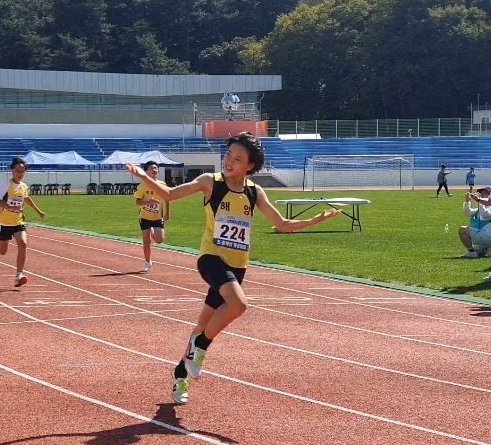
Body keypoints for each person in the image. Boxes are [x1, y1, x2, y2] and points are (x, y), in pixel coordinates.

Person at [125, 132, 341, 404]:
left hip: (238, 265)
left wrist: (314, 221)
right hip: (211, 258)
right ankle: (201, 346)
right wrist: (143, 176)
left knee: (203, 325)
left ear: (249, 165)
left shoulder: (254, 192)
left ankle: (181, 373)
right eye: (228, 154)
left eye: (237, 159)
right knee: (238, 305)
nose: (229, 161)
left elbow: (282, 224)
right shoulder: (210, 182)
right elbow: (169, 194)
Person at [0, 157, 45, 287]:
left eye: (22, 171)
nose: (20, 174)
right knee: (2, 251)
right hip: (4, 223)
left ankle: (19, 275)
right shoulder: (6, 184)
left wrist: (38, 211)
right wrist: (9, 207)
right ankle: (0, 242)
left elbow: (27, 199)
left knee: (23, 243)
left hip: (18, 222)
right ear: (12, 170)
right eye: (17, 171)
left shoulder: (23, 186)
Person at [133, 160, 170, 273]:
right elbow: (138, 202)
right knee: (147, 242)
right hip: (144, 217)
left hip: (157, 217)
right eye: (151, 168)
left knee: (159, 240)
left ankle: (153, 231)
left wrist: (167, 212)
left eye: (155, 168)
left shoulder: (162, 184)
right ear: (146, 172)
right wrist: (149, 202)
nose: (154, 170)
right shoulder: (143, 186)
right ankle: (148, 262)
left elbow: (167, 198)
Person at [458, 186, 491, 258]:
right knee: (462, 229)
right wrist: (467, 201)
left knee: (463, 230)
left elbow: (485, 214)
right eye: (480, 193)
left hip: (490, 236)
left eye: (484, 193)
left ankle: (478, 250)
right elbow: (468, 213)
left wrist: (480, 201)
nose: (481, 195)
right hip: (482, 235)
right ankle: (480, 250)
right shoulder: (480, 208)